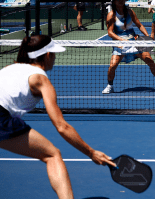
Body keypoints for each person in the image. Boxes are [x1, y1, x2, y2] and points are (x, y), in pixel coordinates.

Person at [0, 35, 116, 199]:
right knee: (52, 154)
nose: (55, 58)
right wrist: (91, 152)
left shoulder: (9, 68)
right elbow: (61, 126)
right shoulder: (41, 79)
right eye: (53, 54)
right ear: (47, 55)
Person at [102, 0, 155, 94]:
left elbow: (139, 25)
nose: (121, 0)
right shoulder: (111, 15)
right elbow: (110, 32)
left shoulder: (130, 12)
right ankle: (110, 85)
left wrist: (148, 37)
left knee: (149, 59)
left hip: (134, 40)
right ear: (114, 1)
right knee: (112, 65)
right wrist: (122, 41)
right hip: (120, 42)